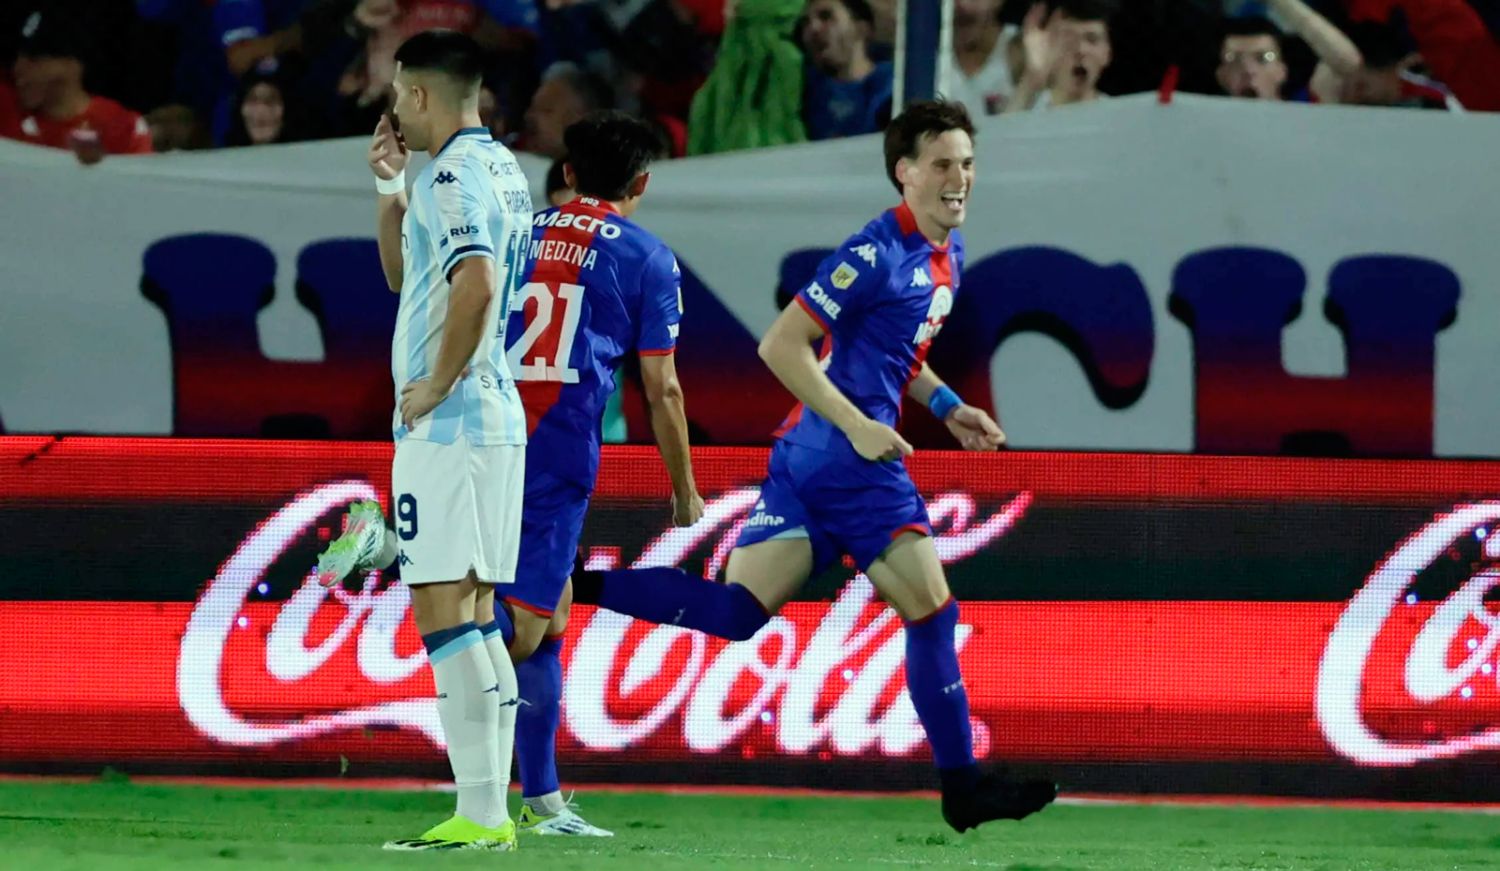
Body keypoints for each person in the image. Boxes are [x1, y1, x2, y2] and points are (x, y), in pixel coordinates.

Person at [572, 100, 1058, 833]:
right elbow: (781, 345)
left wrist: (948, 404)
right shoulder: (875, 252)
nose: (959, 178)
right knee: (933, 614)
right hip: (848, 462)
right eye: (942, 165)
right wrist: (859, 425)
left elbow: (896, 354)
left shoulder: (946, 252)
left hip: (807, 459)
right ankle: (963, 785)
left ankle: (573, 583)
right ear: (904, 172)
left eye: (967, 163)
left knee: (737, 612)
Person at [320, 111, 703, 838]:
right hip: (554, 448)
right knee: (518, 629)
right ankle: (398, 552)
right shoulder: (648, 257)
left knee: (552, 616)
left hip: (484, 423)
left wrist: (391, 191)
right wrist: (684, 487)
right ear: (643, 183)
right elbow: (664, 389)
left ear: (568, 173)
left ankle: (544, 801)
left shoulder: (517, 226)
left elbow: (438, 289)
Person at [317, 30, 532, 851]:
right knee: (475, 614)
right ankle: (491, 812)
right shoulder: (501, 169)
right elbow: (411, 278)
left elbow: (475, 280)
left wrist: (436, 382)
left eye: (396, 92)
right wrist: (388, 188)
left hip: (453, 424)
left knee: (444, 611)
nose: (393, 109)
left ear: (418, 94)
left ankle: (480, 813)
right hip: (494, 417)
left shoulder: (450, 178)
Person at [0, 9, 152, 162]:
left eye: (35, 59)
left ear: (73, 65)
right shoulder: (7, 108)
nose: (18, 68)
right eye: (18, 57)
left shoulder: (124, 128)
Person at [799, 0, 893, 139]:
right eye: (805, 23)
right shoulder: (803, 91)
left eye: (826, 16)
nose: (813, 28)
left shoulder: (894, 84)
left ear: (861, 29)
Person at [1005, 0, 1115, 113]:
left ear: (1107, 53)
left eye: (1092, 39)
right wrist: (1032, 78)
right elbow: (1005, 125)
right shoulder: (1025, 106)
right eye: (1068, 39)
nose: (1080, 49)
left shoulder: (1119, 113)